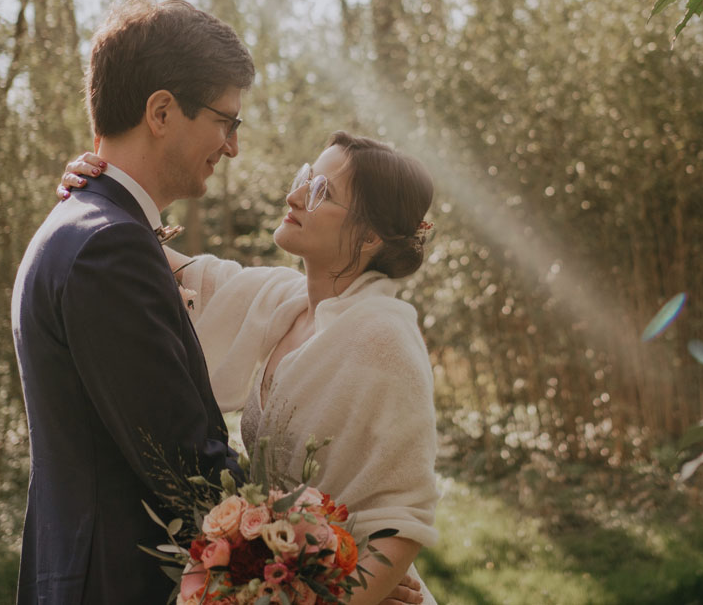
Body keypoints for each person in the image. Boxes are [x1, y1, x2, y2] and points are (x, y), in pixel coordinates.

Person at [58, 131, 440, 604]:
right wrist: (98, 189)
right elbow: (141, 254)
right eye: (305, 177)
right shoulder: (283, 302)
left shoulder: (385, 337)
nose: (294, 193)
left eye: (320, 190)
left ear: (371, 236)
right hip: (278, 586)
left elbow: (401, 523)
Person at [11, 0, 253, 603]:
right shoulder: (107, 248)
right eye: (227, 121)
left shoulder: (86, 226)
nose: (231, 146)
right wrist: (318, 546)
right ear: (163, 111)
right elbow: (183, 465)